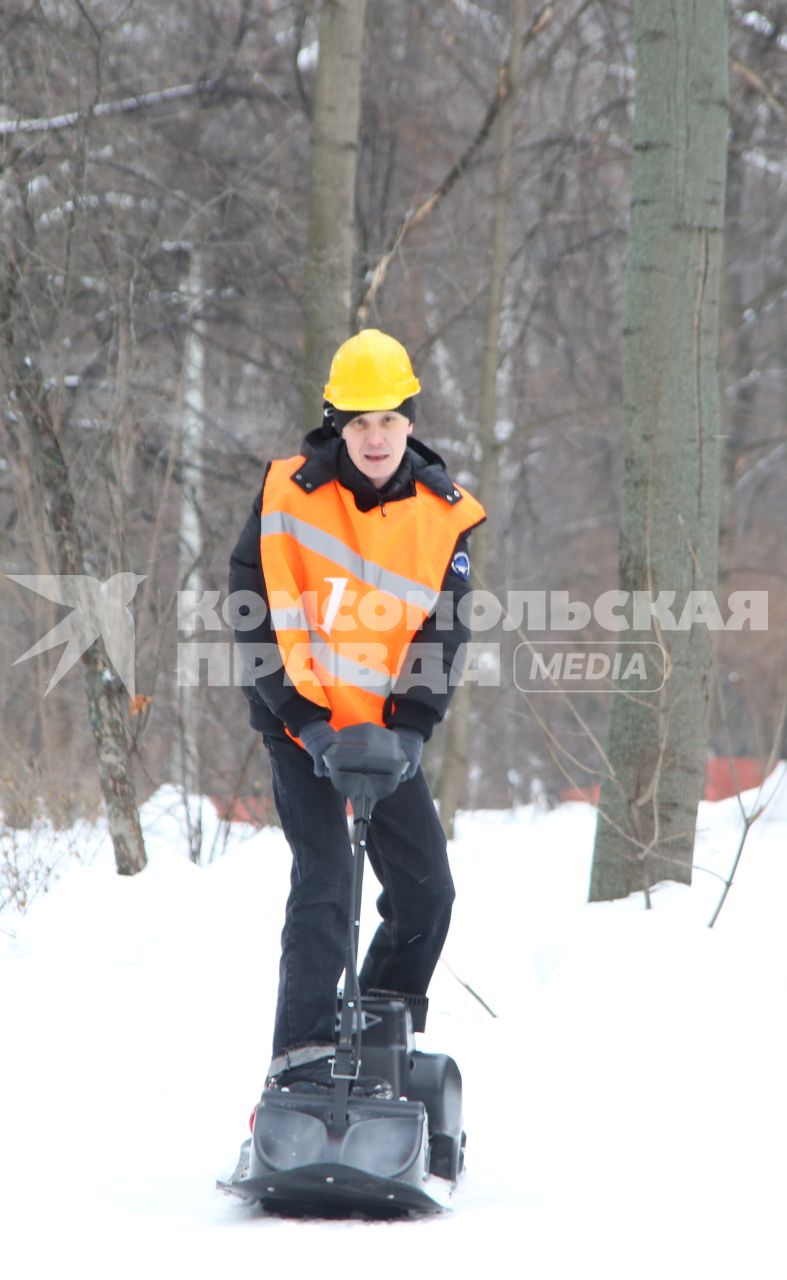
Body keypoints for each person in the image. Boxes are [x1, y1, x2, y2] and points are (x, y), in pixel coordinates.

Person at [228, 329, 486, 1092]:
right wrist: (302, 721)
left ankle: (379, 1025)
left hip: (384, 737)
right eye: (359, 422)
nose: (375, 438)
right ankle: (300, 1061)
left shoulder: (443, 516)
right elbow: (253, 612)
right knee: (325, 883)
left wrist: (410, 729)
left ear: (411, 420)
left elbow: (445, 629)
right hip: (300, 723)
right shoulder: (286, 497)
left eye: (389, 421)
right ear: (335, 422)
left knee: (426, 891)